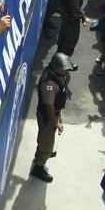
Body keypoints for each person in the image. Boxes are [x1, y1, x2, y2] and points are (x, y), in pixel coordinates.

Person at [30, 53, 71, 183]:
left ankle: (42, 153)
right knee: (46, 142)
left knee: (45, 139)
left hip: (54, 113)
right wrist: (56, 122)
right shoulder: (49, 84)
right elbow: (49, 106)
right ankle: (39, 166)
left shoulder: (59, 75)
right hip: (47, 117)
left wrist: (59, 117)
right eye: (64, 69)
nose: (66, 71)